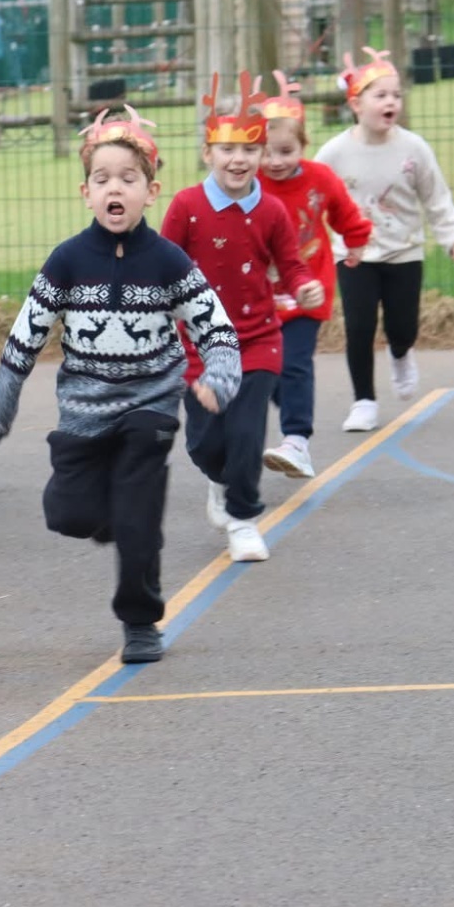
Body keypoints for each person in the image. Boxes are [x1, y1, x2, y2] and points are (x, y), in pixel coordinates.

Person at [0, 107, 242, 664]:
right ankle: (112, 518)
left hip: (150, 407)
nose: (114, 189)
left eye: (128, 179)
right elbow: (28, 329)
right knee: (67, 514)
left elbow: (214, 326)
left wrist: (219, 374)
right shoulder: (68, 261)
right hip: (84, 412)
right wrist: (5, 391)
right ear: (85, 192)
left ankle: (140, 623)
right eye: (103, 180)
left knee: (139, 521)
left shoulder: (169, 262)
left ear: (151, 191)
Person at [162, 73, 322, 564]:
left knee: (248, 433)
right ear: (208, 152)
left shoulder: (272, 210)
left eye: (250, 150)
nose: (239, 160)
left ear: (259, 155)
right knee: (206, 443)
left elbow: (291, 263)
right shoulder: (187, 206)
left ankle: (244, 520)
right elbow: (163, 262)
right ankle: (218, 480)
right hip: (201, 346)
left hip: (258, 339)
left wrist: (303, 286)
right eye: (227, 149)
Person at [314, 48, 454, 432]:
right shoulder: (334, 153)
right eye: (381, 95)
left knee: (403, 327)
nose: (391, 102)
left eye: (396, 95)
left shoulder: (413, 149)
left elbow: (436, 198)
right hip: (354, 254)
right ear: (356, 104)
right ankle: (364, 401)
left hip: (404, 251)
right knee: (359, 326)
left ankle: (401, 353)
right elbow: (310, 196)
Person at [255, 70, 373, 480]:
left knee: (294, 363)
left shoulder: (319, 179)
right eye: (265, 152)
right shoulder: (247, 183)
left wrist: (356, 241)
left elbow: (344, 212)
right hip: (259, 294)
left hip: (307, 290)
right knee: (264, 370)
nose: (275, 161)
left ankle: (296, 441)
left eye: (285, 151)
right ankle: (290, 411)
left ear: (303, 146)